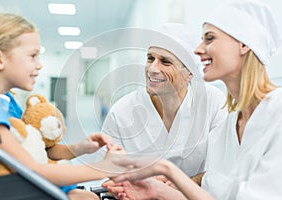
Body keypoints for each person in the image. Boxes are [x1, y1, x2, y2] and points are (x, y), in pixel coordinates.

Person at [110, 0, 282, 199]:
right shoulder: (226, 129)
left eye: (209, 39)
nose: (198, 49)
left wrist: (167, 170)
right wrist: (157, 189)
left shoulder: (277, 114)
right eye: (150, 58)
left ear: (244, 44)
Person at [0, 12, 124, 200]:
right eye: (32, 56)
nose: (39, 65)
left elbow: (39, 148)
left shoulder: (7, 102)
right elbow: (34, 169)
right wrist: (104, 168)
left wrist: (80, 148)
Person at [101, 23, 227, 199]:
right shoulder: (121, 112)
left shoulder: (214, 103)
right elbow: (108, 170)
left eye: (165, 62)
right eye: (150, 58)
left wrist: (188, 182)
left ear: (189, 73)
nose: (152, 68)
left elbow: (225, 168)